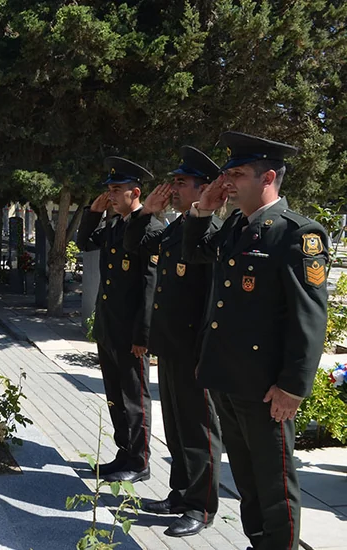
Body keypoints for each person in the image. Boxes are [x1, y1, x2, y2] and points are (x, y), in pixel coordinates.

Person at [182, 132, 328, 550]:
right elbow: (196, 256)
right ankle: (258, 543)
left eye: (238, 173)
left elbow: (308, 319)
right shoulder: (236, 224)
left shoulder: (296, 234)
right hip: (229, 378)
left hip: (267, 389)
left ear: (267, 177)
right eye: (226, 172)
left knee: (275, 482)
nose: (227, 180)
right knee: (246, 478)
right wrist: (203, 210)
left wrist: (293, 387)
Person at [124, 146, 222, 537]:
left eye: (182, 183)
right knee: (178, 426)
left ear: (204, 189)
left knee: (199, 430)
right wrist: (146, 212)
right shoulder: (178, 228)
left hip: (194, 350)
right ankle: (180, 494)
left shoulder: (210, 232)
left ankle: (201, 506)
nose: (174, 189)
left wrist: (205, 354)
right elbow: (137, 245)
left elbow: (214, 301)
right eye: (175, 182)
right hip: (172, 347)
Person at [76, 157, 162, 483]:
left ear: (135, 192)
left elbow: (150, 288)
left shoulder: (151, 228)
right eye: (108, 189)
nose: (110, 195)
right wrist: (94, 212)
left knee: (135, 399)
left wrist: (143, 336)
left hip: (131, 334)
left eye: (116, 189)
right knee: (115, 396)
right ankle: (123, 453)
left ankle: (139, 462)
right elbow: (84, 242)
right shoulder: (114, 225)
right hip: (109, 327)